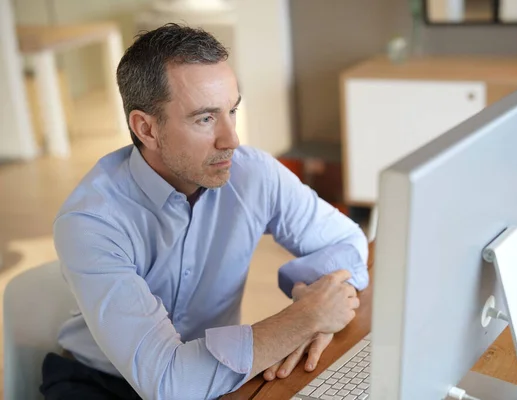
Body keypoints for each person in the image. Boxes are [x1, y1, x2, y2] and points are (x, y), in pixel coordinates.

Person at [39, 23, 369, 400]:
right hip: (100, 383)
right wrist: (306, 318)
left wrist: (319, 300)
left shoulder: (253, 173)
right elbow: (169, 383)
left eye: (232, 110)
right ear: (145, 128)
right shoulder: (92, 221)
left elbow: (347, 239)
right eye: (205, 118)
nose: (232, 139)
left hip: (212, 373)